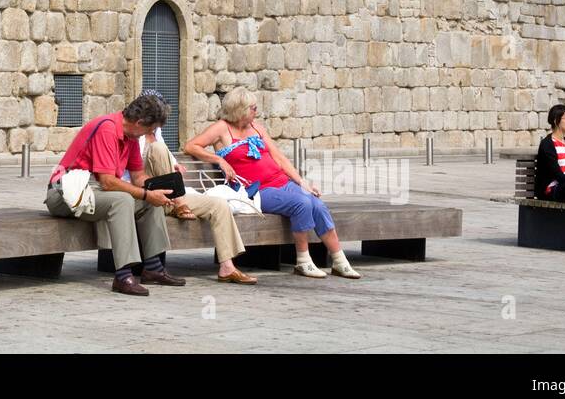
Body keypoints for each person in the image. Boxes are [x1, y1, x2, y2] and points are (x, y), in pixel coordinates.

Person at [185, 87, 361, 279]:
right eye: (253, 107)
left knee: (316, 203)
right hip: (257, 191)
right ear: (240, 109)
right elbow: (191, 146)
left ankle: (339, 260)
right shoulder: (222, 128)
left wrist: (302, 182)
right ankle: (303, 261)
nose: (256, 111)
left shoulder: (257, 128)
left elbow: (279, 158)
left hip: (281, 182)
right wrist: (219, 160)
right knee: (301, 203)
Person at [45, 94, 187, 296]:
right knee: (122, 200)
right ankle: (123, 276)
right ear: (139, 123)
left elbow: (138, 176)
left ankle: (153, 268)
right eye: (150, 129)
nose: (150, 134)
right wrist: (147, 194)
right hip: (64, 195)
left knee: (148, 201)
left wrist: (156, 189)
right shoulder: (107, 129)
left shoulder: (130, 136)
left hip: (91, 194)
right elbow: (108, 182)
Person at [134, 103, 257, 285]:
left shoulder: (158, 136)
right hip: (149, 198)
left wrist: (174, 165)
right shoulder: (133, 138)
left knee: (219, 205)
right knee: (157, 149)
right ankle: (178, 202)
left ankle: (227, 267)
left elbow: (169, 163)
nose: (156, 125)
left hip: (174, 198)